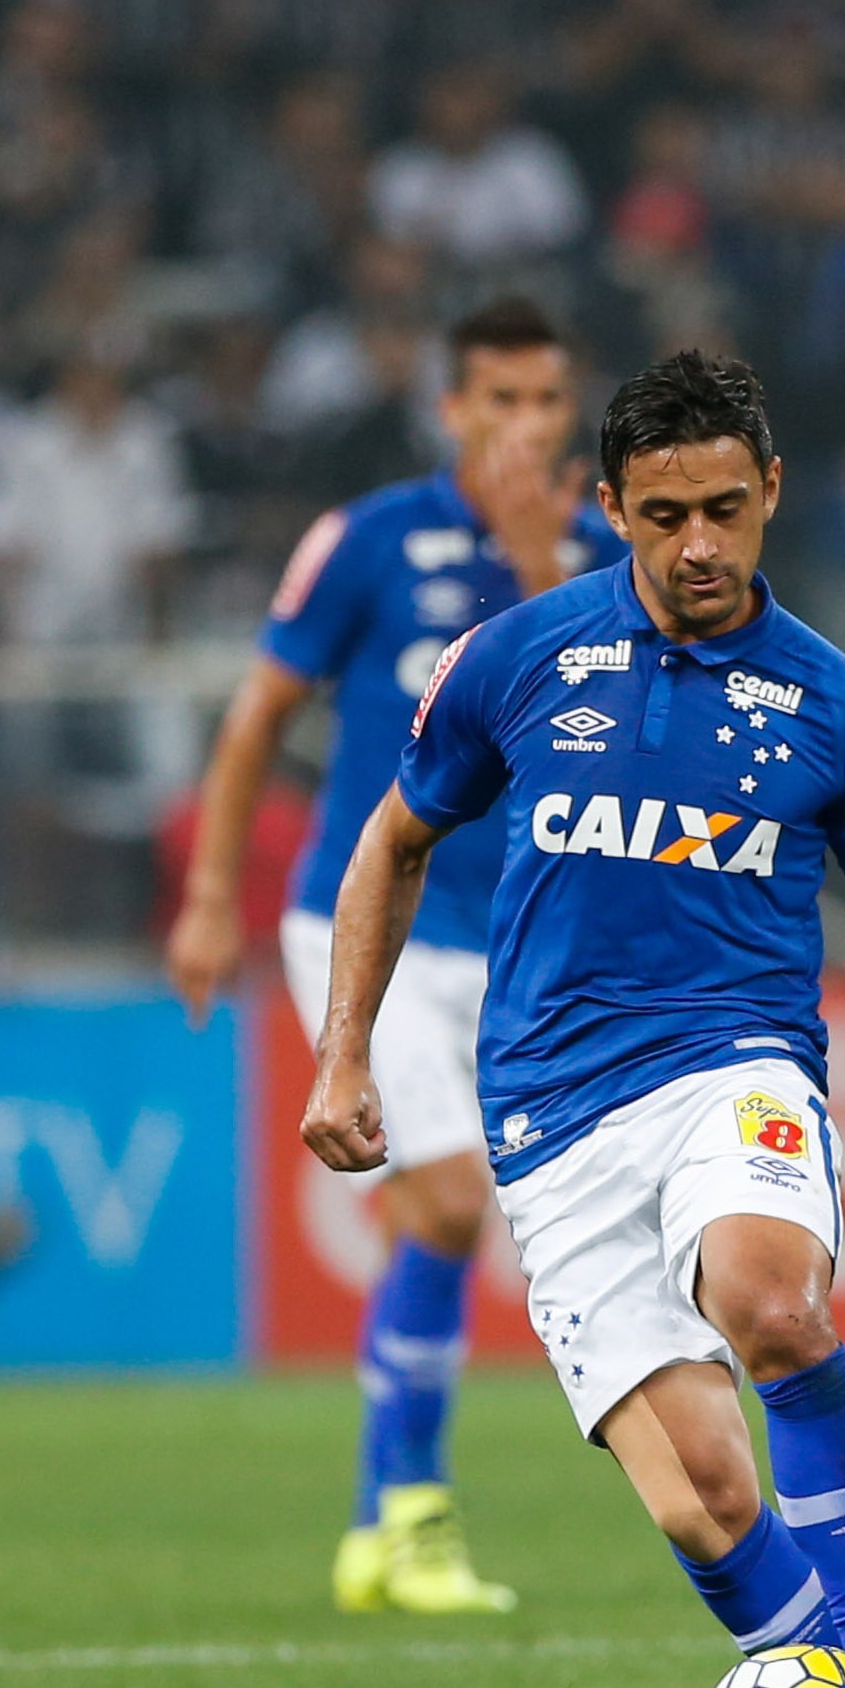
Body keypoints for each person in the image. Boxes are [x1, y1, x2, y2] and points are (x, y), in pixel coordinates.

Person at [300, 350, 845, 1688]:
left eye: (727, 508)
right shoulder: (519, 660)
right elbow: (389, 844)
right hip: (549, 1116)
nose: (700, 546)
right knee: (701, 1500)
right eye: (664, 515)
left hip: (736, 1063)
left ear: (774, 491)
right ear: (612, 507)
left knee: (773, 1299)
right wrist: (345, 1048)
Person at [166, 297, 621, 1617]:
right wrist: (208, 897)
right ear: (452, 409)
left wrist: (543, 565)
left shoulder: (604, 550)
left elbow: (606, 723)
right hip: (365, 923)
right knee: (439, 1200)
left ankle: (378, 1524)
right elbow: (259, 717)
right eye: (501, 400)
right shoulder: (366, 539)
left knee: (528, 1220)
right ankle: (411, 1514)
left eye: (547, 401)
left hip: (526, 938)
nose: (526, 425)